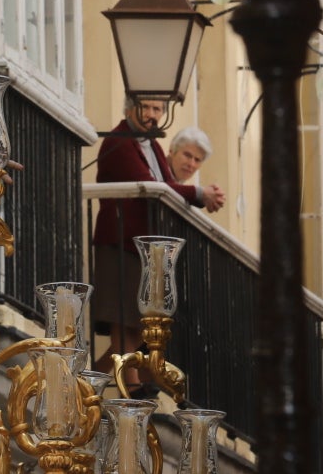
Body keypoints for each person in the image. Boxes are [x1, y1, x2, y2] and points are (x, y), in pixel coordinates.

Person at [90, 99, 225, 388]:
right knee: (125, 316)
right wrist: (200, 194)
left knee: (141, 323)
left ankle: (90, 380)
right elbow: (154, 187)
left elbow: (163, 187)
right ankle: (131, 380)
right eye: (146, 107)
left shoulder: (152, 145)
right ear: (129, 108)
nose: (152, 115)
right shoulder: (120, 141)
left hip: (142, 247)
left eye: (158, 109)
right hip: (121, 241)